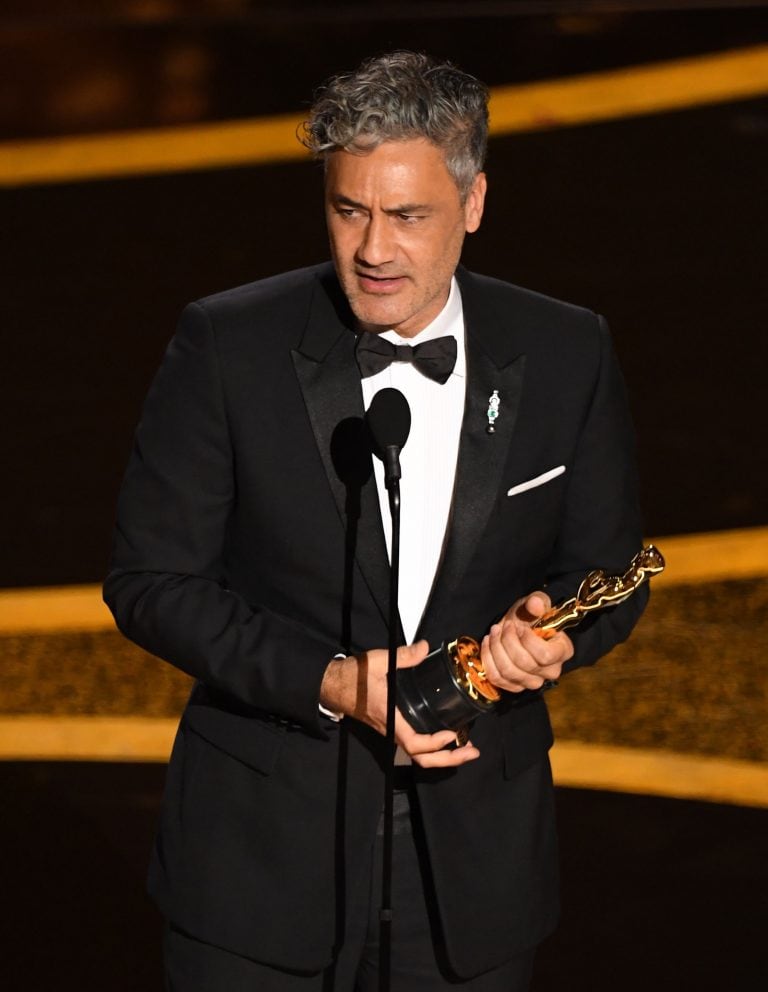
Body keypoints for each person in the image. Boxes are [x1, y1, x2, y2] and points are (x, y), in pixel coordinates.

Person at [104, 51, 648, 991]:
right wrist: (332, 679)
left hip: (475, 871)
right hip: (259, 868)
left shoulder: (566, 349)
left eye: (407, 216)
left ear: (474, 203)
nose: (372, 249)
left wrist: (548, 634)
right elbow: (150, 582)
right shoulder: (228, 344)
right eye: (349, 209)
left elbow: (605, 566)